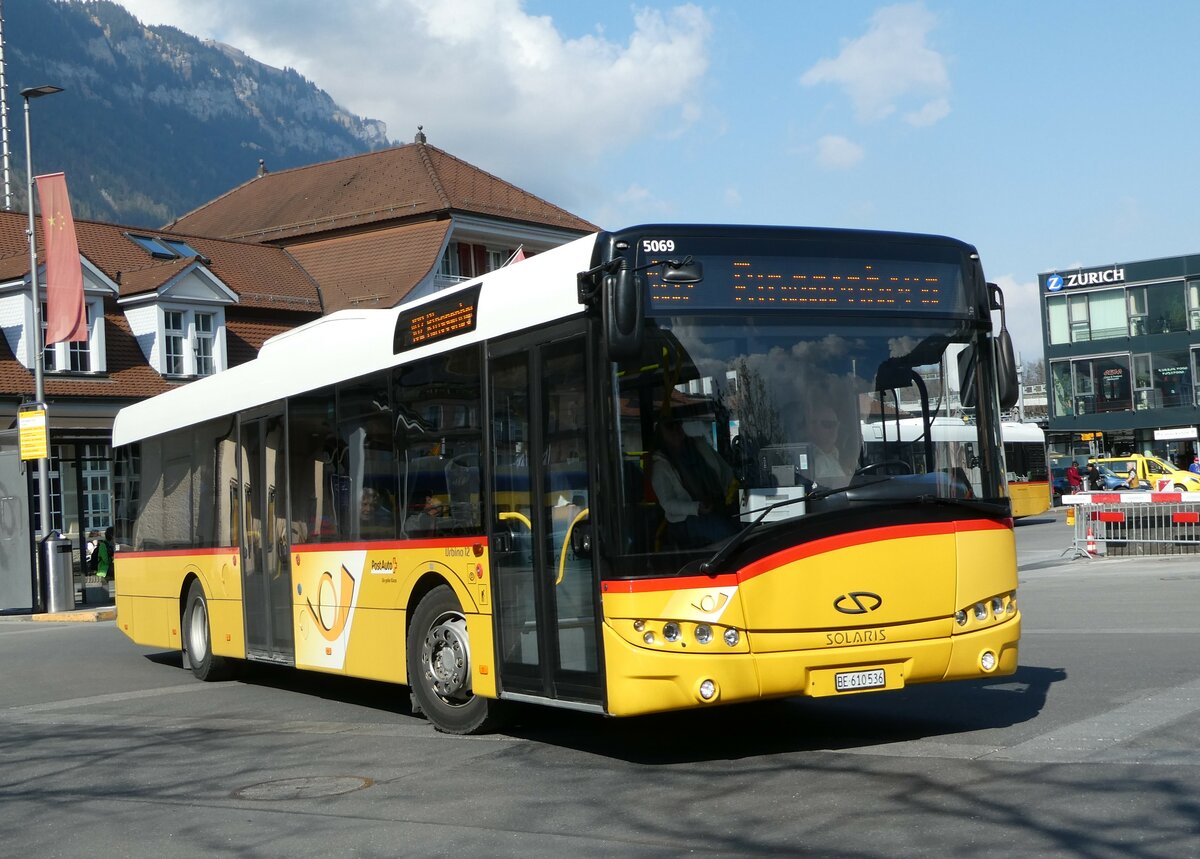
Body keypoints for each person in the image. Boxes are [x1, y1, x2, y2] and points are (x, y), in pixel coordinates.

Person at [651, 417, 739, 548]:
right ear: (660, 434)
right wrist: (696, 508)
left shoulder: (700, 446)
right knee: (731, 537)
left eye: (678, 423)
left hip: (720, 504)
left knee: (746, 528)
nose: (676, 429)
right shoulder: (661, 465)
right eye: (670, 427)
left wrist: (734, 489)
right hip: (688, 519)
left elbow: (726, 471)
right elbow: (667, 503)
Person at [806, 401, 853, 488]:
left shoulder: (838, 456)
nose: (834, 429)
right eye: (828, 425)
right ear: (813, 427)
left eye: (836, 424)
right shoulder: (810, 460)